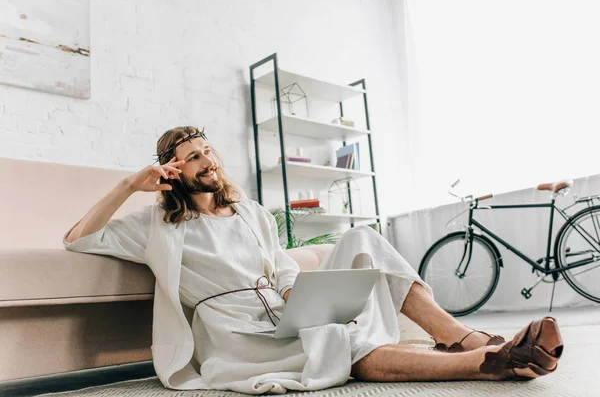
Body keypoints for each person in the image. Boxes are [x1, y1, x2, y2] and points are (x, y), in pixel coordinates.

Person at [64, 126, 563, 394]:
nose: (207, 159)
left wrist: (292, 293)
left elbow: (279, 263)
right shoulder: (157, 223)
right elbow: (76, 239)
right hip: (236, 330)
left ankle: (458, 337)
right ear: (172, 171)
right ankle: (491, 363)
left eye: (208, 150)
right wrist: (129, 186)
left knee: (364, 239)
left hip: (283, 306)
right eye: (192, 156)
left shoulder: (251, 212)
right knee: (335, 342)